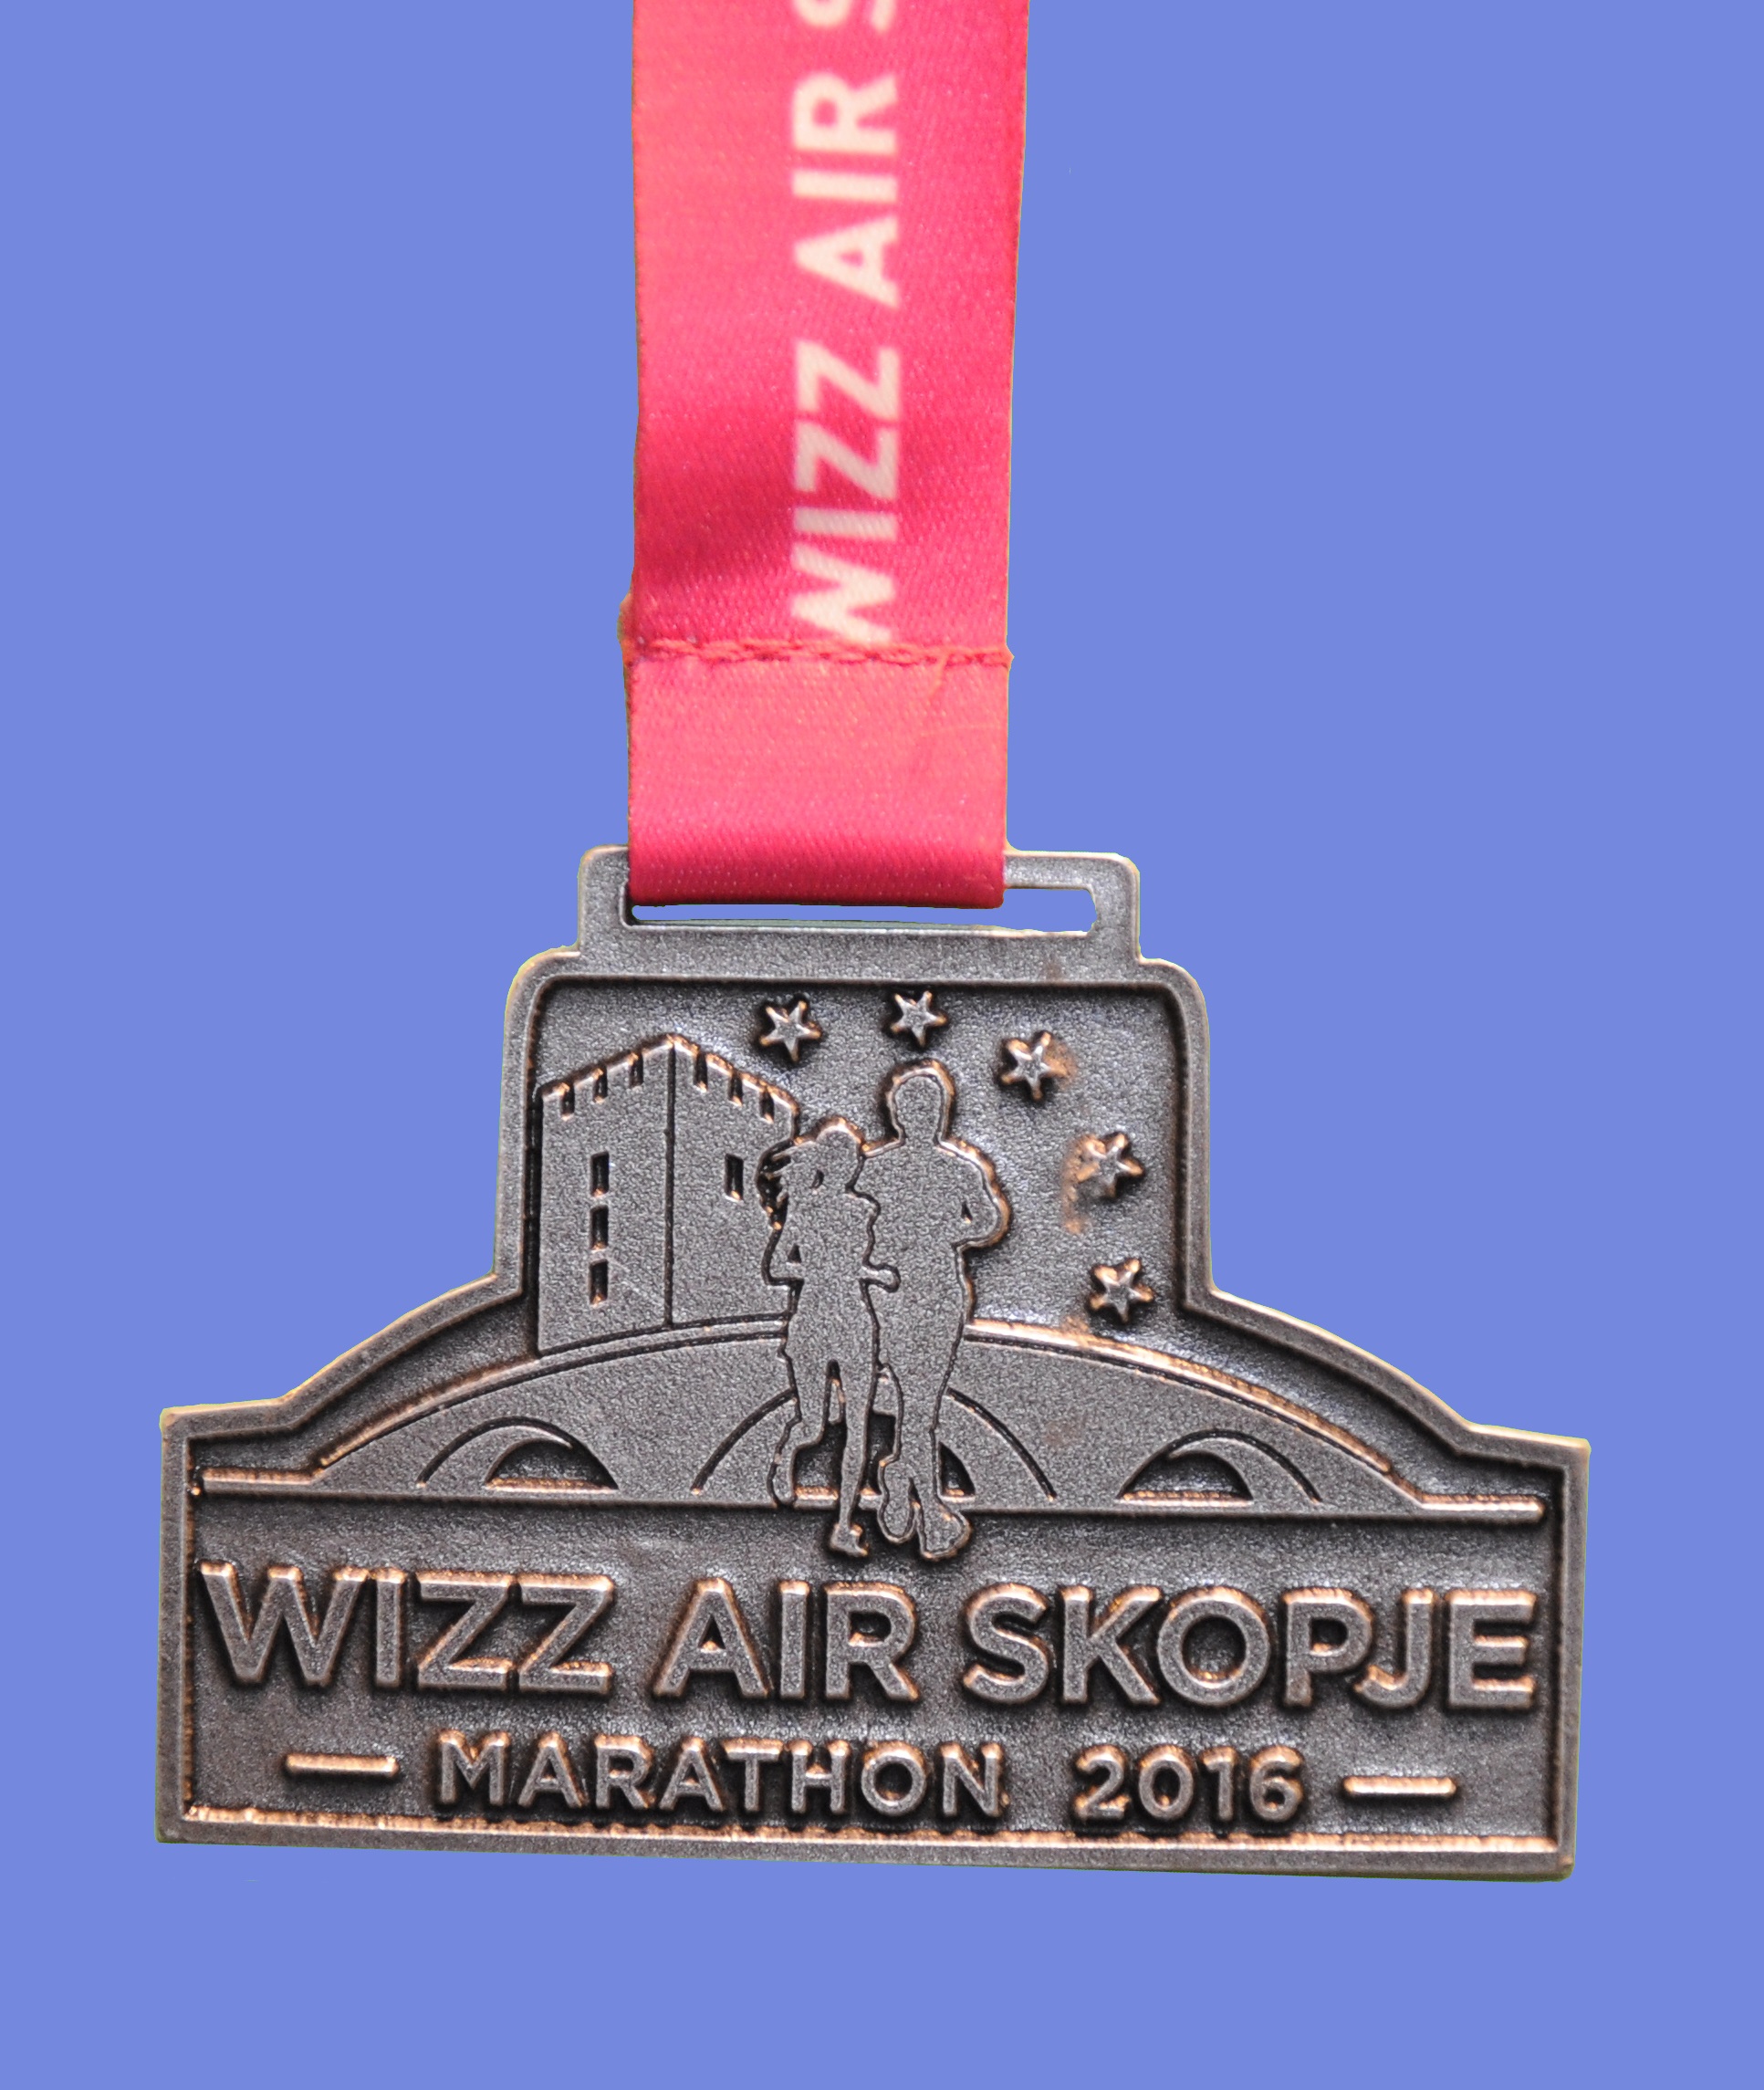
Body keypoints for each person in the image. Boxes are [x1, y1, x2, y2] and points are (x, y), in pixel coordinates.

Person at [858, 1062, 1009, 1559]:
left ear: (941, 1114)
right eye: (915, 1107)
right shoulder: (871, 1169)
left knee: (920, 1405)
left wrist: (945, 1235)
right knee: (914, 1406)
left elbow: (989, 1222)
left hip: (939, 1296)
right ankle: (928, 1510)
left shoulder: (959, 1169)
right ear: (898, 1114)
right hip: (888, 1297)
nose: (923, 1115)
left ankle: (901, 1478)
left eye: (930, 1107)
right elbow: (850, 1229)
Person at [762, 1118, 894, 1557]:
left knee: (859, 1428)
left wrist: (871, 1274)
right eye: (843, 1157)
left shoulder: (865, 1210)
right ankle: (786, 1456)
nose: (850, 1164)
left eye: (854, 1157)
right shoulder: (804, 1208)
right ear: (825, 1162)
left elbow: (862, 1263)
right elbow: (777, 1267)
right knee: (814, 1426)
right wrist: (823, 1272)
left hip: (855, 1321)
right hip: (814, 1319)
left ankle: (843, 1524)